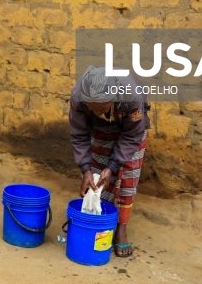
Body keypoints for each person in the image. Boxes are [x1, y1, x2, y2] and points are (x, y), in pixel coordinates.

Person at [69, 65, 150, 258]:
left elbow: (132, 136)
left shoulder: (131, 95)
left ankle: (121, 228)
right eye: (92, 107)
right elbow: (79, 134)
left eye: (102, 106)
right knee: (98, 178)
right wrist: (86, 169)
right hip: (99, 129)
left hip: (131, 129)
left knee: (128, 175)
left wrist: (113, 166)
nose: (97, 110)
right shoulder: (78, 96)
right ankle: (102, 221)